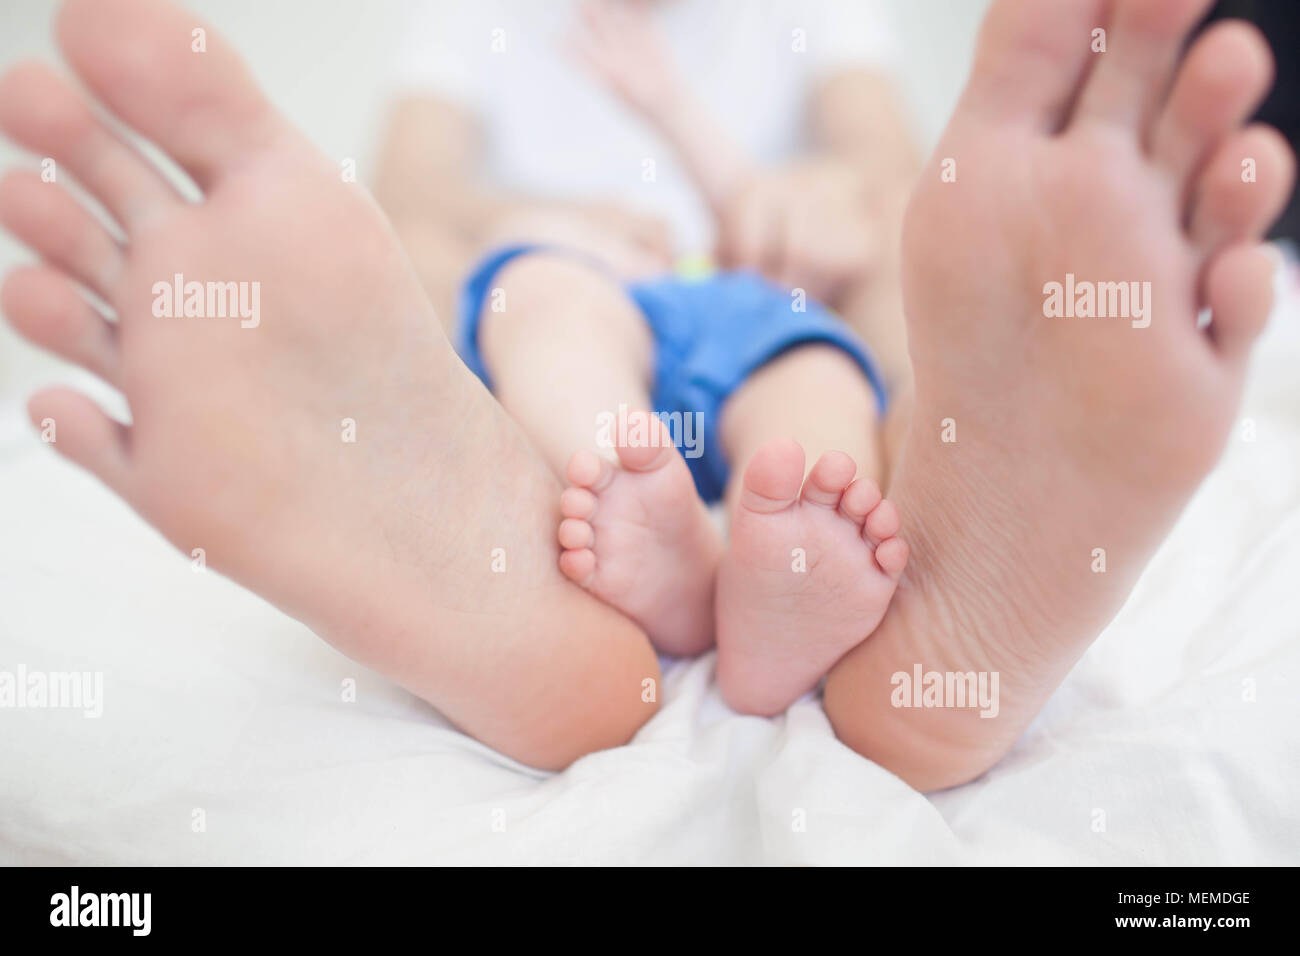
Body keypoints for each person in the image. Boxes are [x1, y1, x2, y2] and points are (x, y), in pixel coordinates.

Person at [0, 0, 1291, 789]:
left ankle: (805, 566)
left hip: (766, 292)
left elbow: (886, 176)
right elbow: (410, 203)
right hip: (570, 274)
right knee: (550, 316)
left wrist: (809, 201)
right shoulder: (475, 18)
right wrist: (539, 213)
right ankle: (577, 527)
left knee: (814, 393)